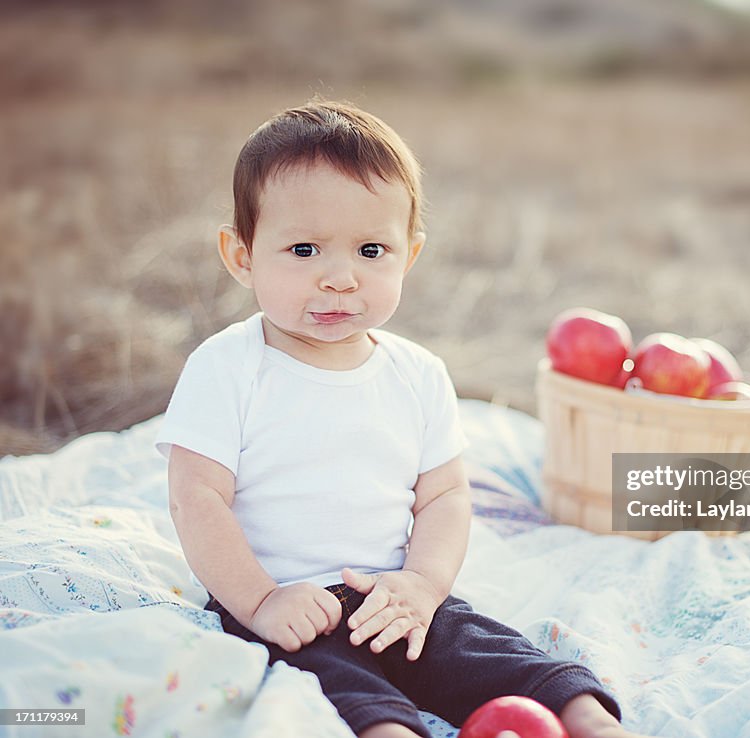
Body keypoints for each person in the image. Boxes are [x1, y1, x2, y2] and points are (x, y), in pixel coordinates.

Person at [156, 99, 648, 738]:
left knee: (493, 655)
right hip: (288, 606)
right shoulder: (227, 366)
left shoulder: (416, 373)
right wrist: (259, 600)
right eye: (303, 249)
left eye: (370, 249)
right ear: (242, 255)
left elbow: (444, 495)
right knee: (340, 689)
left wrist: (422, 583)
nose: (340, 278)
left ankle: (592, 725)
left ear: (408, 255)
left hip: (398, 597)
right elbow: (196, 499)